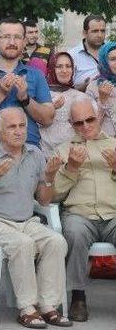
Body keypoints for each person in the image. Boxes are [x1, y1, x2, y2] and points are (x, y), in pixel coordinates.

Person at [0, 107, 71, 328]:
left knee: (57, 241)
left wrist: (50, 177)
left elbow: (43, 201)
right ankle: (27, 308)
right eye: (11, 127)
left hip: (27, 221)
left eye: (22, 126)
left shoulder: (35, 154)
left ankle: (48, 305)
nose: (18, 131)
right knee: (23, 245)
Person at [53, 97, 116, 322]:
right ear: (71, 124)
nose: (86, 126)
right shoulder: (63, 150)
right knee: (74, 232)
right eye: (79, 123)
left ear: (99, 117)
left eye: (90, 119)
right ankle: (78, 295)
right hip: (79, 214)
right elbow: (54, 195)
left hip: (113, 214)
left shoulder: (114, 145)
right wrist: (70, 168)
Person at [0, 17, 55, 158]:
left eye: (17, 37)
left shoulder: (36, 75)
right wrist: (0, 93)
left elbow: (48, 119)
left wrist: (25, 98)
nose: (12, 42)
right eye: (6, 37)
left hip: (28, 152)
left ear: (24, 41)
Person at [40, 52, 85, 158]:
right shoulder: (41, 93)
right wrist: (51, 108)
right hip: (45, 155)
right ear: (51, 69)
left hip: (72, 155)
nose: (64, 70)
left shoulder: (79, 96)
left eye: (68, 66)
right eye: (59, 66)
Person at [85, 41, 116, 137]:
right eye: (113, 59)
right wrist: (102, 101)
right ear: (104, 62)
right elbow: (89, 127)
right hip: (104, 145)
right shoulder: (94, 87)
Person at [69, 15, 106, 90]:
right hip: (84, 100)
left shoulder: (112, 51)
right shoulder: (72, 55)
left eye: (102, 31)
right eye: (95, 31)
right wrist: (85, 86)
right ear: (84, 33)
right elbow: (65, 89)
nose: (100, 35)